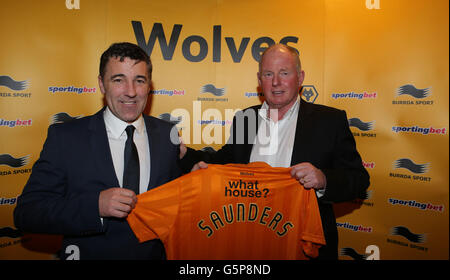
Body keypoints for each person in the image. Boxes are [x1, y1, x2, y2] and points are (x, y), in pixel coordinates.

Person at [180, 43, 370, 259]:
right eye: (269, 74)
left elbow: (358, 179)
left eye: (284, 73)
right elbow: (223, 161)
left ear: (300, 77)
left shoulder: (330, 121)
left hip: (305, 247)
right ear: (260, 80)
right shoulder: (245, 119)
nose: (276, 82)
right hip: (249, 245)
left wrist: (323, 179)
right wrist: (185, 154)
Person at [14, 42, 182, 260]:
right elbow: (28, 213)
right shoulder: (66, 138)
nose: (131, 92)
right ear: (102, 84)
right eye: (118, 80)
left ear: (149, 85)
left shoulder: (168, 135)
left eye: (139, 81)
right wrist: (95, 206)